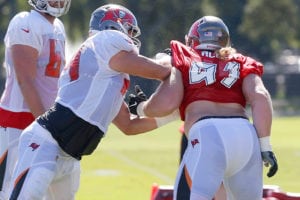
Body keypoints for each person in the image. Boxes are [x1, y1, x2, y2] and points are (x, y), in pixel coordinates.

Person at [7, 4, 171, 199]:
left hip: (70, 157)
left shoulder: (105, 73)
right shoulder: (106, 41)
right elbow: (160, 72)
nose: (131, 37)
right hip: (45, 143)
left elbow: (129, 125)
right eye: (129, 30)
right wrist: (175, 65)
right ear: (113, 28)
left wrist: (172, 116)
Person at [128, 16, 278, 200]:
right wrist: (265, 147)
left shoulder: (184, 56)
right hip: (245, 136)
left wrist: (141, 107)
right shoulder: (241, 61)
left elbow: (166, 104)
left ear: (192, 40)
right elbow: (260, 97)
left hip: (207, 133)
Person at [0, 1, 71, 199]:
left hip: (44, 120)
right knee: (9, 191)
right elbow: (26, 81)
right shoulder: (25, 21)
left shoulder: (58, 27)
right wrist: (46, 124)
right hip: (18, 120)